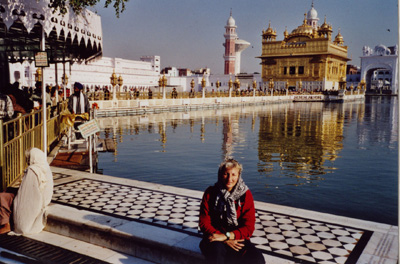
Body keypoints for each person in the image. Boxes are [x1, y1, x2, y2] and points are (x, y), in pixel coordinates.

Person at [199, 159, 265, 264]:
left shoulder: (245, 195)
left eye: (233, 175)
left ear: (239, 175)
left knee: (257, 259)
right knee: (217, 253)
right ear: (220, 175)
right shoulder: (211, 193)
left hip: (237, 238)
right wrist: (223, 239)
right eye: (226, 174)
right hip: (215, 237)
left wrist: (227, 236)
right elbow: (204, 223)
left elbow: (249, 227)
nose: (230, 179)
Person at [0, 148, 53, 235]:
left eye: (28, 158)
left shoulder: (32, 170)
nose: (27, 161)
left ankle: (6, 224)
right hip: (42, 199)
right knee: (8, 191)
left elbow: (24, 194)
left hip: (33, 201)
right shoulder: (45, 166)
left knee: (2, 197)